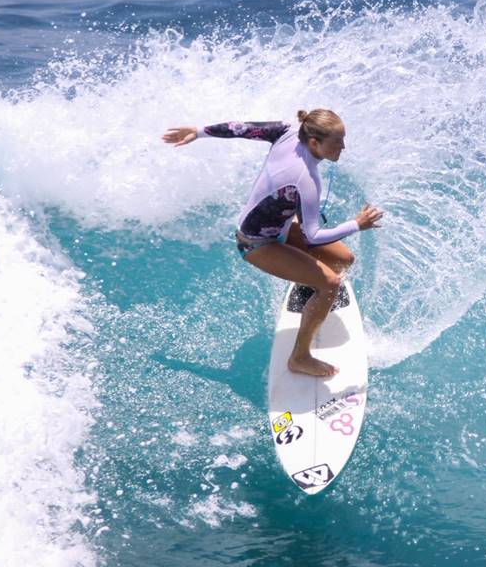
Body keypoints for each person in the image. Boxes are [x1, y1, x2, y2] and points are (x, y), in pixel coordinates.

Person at [162, 109, 383, 377]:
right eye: (337, 141)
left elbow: (239, 128)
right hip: (256, 243)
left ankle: (307, 291)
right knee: (331, 285)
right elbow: (312, 237)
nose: (343, 147)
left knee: (343, 260)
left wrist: (198, 132)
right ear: (314, 142)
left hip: (279, 226)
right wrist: (357, 225)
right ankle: (299, 357)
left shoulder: (289, 130)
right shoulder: (306, 179)